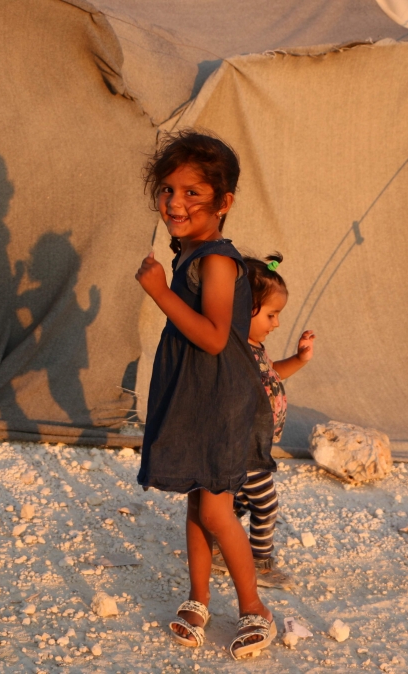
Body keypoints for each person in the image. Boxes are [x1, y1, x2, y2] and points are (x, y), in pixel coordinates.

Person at [134, 130, 277, 659]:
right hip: (195, 393)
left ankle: (254, 608)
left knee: (218, 512)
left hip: (219, 400)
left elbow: (215, 337)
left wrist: (159, 293)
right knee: (198, 502)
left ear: (224, 203)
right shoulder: (192, 253)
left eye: (192, 193)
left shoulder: (217, 261)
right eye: (168, 190)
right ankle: (198, 599)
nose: (175, 202)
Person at [212, 253, 315, 588]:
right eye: (271, 314)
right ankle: (259, 563)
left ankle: (215, 546)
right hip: (242, 449)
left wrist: (299, 359)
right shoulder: (234, 350)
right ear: (244, 308)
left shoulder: (256, 349)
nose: (277, 323)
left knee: (241, 500)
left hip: (256, 447)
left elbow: (272, 376)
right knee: (266, 505)